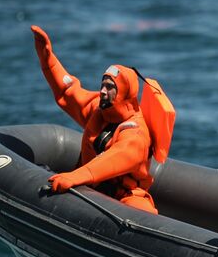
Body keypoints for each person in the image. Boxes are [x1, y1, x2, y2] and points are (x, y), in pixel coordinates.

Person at [30, 25, 158, 214]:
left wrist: (74, 177)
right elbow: (68, 92)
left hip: (125, 196)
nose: (103, 91)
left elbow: (114, 158)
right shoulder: (99, 111)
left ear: (123, 92)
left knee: (141, 213)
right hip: (90, 189)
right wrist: (48, 60)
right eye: (102, 85)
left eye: (109, 87)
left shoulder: (136, 133)